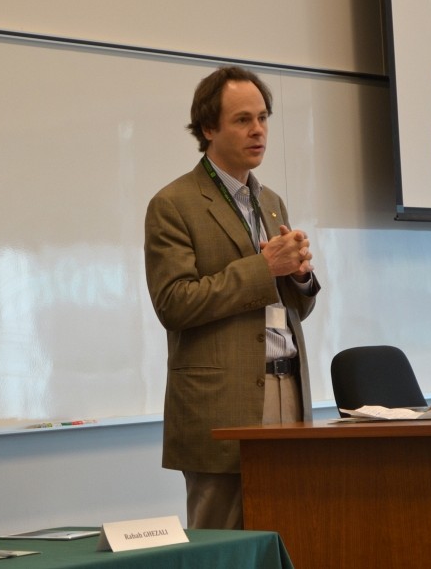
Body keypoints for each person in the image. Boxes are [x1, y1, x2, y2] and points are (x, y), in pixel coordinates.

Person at [143, 65, 321, 530]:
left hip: (287, 388)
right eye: (243, 120)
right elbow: (174, 303)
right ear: (208, 128)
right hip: (220, 401)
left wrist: (299, 277)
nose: (258, 130)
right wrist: (265, 268)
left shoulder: (273, 202)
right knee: (224, 544)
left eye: (263, 117)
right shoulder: (174, 203)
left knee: (290, 532)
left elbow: (290, 306)